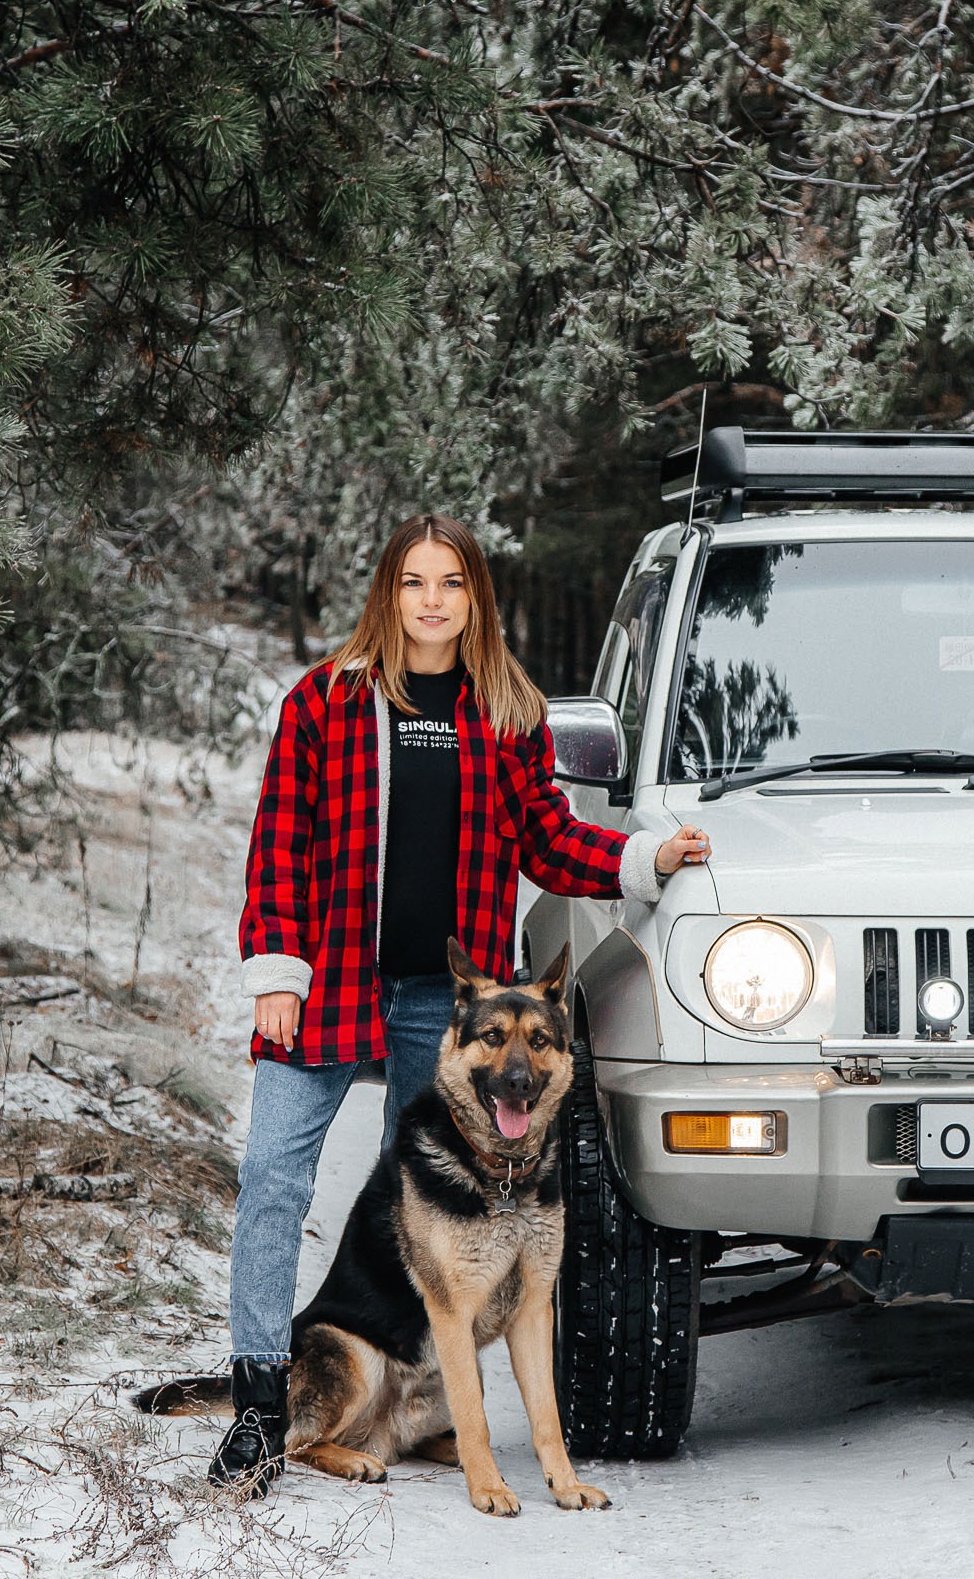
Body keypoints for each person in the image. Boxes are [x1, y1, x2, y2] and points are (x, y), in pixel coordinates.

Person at [219, 513, 711, 1496]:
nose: (432, 600)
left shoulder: (506, 711)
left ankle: (413, 1402)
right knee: (275, 1178)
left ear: (475, 597)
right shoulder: (325, 701)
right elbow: (282, 837)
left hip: (449, 1014)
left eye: (451, 583)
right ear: (387, 594)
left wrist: (638, 860)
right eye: (413, 583)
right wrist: (277, 973)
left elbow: (546, 836)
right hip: (332, 984)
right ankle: (258, 1407)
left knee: (435, 1211)